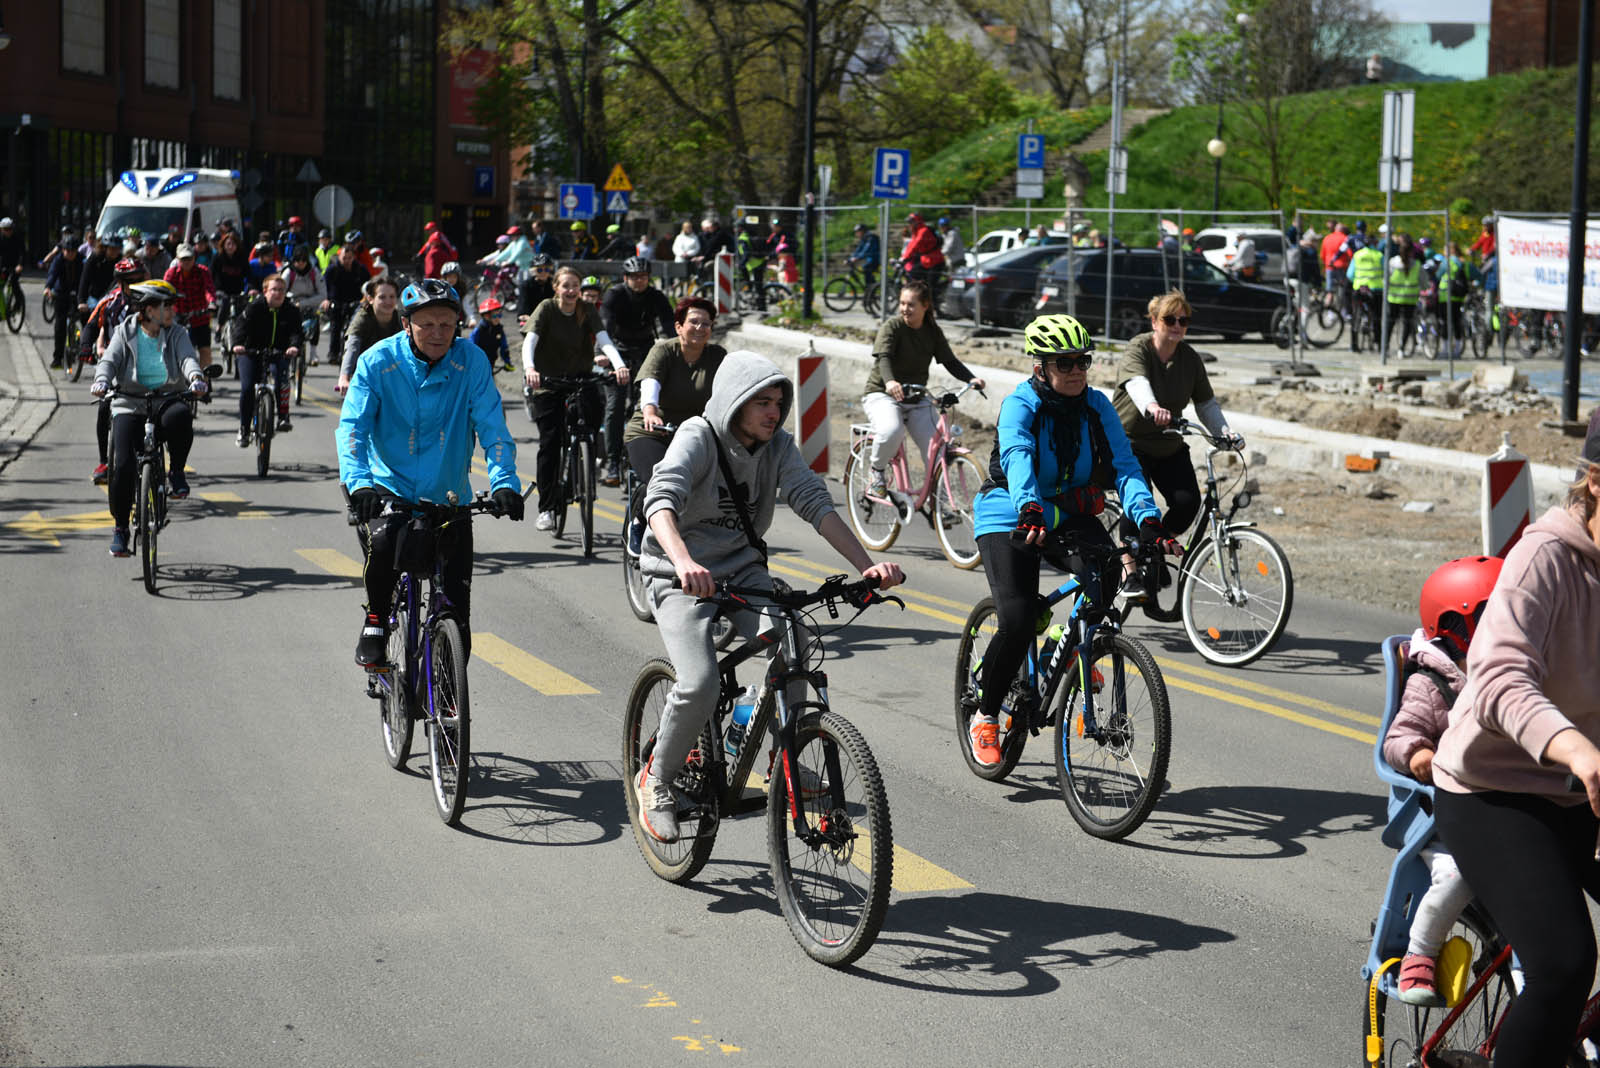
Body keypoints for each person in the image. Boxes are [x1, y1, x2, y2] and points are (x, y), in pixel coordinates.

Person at [631, 350, 905, 841]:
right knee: (699, 682)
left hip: (741, 571)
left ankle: (786, 755)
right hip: (676, 573)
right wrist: (683, 561)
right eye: (761, 401)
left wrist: (868, 569)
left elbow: (815, 504)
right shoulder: (700, 436)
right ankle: (656, 780)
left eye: (778, 402)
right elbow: (661, 499)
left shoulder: (778, 446)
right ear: (734, 402)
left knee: (795, 638)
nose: (773, 412)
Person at [1431, 416, 1600, 1068]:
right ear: (1596, 482)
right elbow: (1500, 678)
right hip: (1494, 789)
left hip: (1583, 789)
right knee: (1563, 963)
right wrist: (1576, 747)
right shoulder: (1545, 558)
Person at [965, 313, 1171, 767]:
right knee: (1017, 619)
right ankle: (984, 715)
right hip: (1010, 509)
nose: (1076, 371)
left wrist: (1149, 518)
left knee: (1110, 571)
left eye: (1082, 361)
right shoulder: (1021, 404)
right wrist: (1029, 505)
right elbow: (1017, 454)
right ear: (1041, 367)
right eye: (1065, 363)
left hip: (1064, 509)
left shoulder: (1097, 406)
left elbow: (1126, 467)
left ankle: (1074, 643)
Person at [338, 278, 524, 666]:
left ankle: (446, 703)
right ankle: (375, 619)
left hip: (448, 496)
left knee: (458, 618)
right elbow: (353, 428)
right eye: (427, 325)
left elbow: (493, 427)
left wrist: (504, 481)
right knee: (386, 544)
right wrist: (359, 484)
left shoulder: (470, 360)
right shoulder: (377, 361)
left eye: (447, 324)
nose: (438, 333)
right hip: (389, 488)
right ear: (406, 324)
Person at [1380, 555, 1504, 1007]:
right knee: (1459, 874)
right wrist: (1421, 755)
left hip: (1503, 805)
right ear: (1455, 627)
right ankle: (1421, 950)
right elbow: (1400, 737)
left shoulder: (1510, 670)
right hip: (1441, 816)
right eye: (1497, 616)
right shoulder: (1433, 682)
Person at [1110, 290, 1242, 597]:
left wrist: (1226, 432)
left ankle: (1153, 550)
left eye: (1184, 320)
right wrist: (1152, 407)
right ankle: (1130, 570)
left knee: (1187, 502)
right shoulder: (1138, 348)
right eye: (1170, 319)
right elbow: (1137, 384)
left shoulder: (1189, 359)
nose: (1178, 325)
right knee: (1137, 504)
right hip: (1129, 443)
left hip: (1168, 443)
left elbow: (1206, 403)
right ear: (1154, 321)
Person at [90, 280, 209, 556]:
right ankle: (120, 528)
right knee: (122, 465)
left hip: (166, 398)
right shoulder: (125, 331)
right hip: (129, 402)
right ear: (148, 310)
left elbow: (187, 358)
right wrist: (101, 380)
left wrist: (195, 378)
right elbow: (109, 360)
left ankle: (176, 472)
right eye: (167, 306)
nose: (172, 311)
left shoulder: (177, 332)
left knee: (181, 417)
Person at [521, 265, 629, 530]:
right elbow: (530, 341)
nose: (571, 291)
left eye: (575, 286)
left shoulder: (586, 309)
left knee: (590, 426)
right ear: (557, 287)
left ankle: (579, 474)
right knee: (550, 443)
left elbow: (604, 340)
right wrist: (530, 369)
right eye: (566, 285)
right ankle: (546, 507)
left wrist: (619, 364)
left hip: (580, 378)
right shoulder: (547, 308)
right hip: (548, 382)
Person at [861, 280, 984, 496]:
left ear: (925, 305)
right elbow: (884, 359)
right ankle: (876, 471)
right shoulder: (892, 327)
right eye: (902, 303)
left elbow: (950, 361)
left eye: (910, 304)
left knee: (937, 448)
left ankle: (938, 499)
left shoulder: (932, 331)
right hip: (882, 394)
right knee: (891, 431)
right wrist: (890, 382)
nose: (904, 309)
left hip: (916, 398)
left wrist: (971, 379)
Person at [623, 296, 726, 547]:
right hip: (653, 431)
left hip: (693, 434)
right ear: (679, 326)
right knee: (661, 480)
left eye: (706, 323)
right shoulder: (664, 350)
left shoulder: (717, 356)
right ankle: (637, 521)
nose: (700, 328)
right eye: (693, 322)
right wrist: (650, 410)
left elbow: (731, 391)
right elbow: (651, 382)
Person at [599, 256, 675, 485]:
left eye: (643, 277)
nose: (639, 281)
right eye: (634, 277)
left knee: (647, 405)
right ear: (625, 278)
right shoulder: (615, 295)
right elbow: (605, 327)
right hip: (616, 351)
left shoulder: (656, 296)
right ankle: (612, 462)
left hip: (645, 352)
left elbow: (669, 326)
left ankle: (642, 454)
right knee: (615, 406)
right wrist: (603, 354)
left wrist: (675, 350)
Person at [84, 257, 148, 484]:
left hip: (146, 364)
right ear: (120, 282)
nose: (135, 284)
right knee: (104, 409)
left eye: (139, 279)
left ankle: (156, 459)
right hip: (115, 364)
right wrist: (85, 347)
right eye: (130, 281)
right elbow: (91, 325)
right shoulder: (110, 302)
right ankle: (104, 461)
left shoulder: (153, 300)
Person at [231, 273, 302, 440]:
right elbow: (240, 326)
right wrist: (238, 344)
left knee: (282, 380)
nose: (278, 293)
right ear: (265, 291)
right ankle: (244, 428)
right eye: (274, 290)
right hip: (250, 352)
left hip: (279, 352)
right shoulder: (254, 307)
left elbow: (296, 332)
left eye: (281, 290)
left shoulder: (291, 310)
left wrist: (293, 346)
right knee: (248, 387)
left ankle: (283, 417)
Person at [336, 276, 402, 394]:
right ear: (370, 299)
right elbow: (352, 346)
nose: (388, 301)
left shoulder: (401, 320)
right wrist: (344, 378)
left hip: (390, 371)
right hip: (363, 371)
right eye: (382, 297)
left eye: (392, 297)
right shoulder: (362, 318)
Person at [162, 244, 217, 368]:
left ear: (194, 258)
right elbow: (165, 292)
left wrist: (212, 303)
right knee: (177, 351)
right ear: (177, 259)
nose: (186, 262)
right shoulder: (172, 274)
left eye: (189, 258)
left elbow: (209, 290)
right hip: (178, 318)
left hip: (200, 317)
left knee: (205, 351)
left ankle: (205, 381)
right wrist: (166, 309)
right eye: (183, 259)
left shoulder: (203, 271)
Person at [323, 244, 372, 373]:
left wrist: (366, 299)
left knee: (357, 326)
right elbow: (324, 286)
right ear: (339, 256)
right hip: (337, 301)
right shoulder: (332, 270)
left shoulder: (360, 269)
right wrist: (327, 300)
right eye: (344, 257)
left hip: (355, 302)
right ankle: (333, 353)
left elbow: (369, 285)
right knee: (335, 325)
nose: (347, 260)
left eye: (350, 258)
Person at [43, 239, 85, 368]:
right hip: (62, 293)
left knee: (85, 318)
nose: (70, 254)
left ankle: (84, 349)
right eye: (67, 251)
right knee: (60, 326)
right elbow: (52, 274)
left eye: (73, 251)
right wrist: (48, 287)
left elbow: (87, 276)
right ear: (63, 250)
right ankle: (58, 358)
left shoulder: (81, 260)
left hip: (78, 292)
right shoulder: (58, 260)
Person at [281, 246, 326, 363]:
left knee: (315, 320)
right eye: (297, 261)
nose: (300, 264)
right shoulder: (288, 272)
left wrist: (303, 303)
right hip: (291, 302)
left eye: (303, 261)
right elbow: (281, 291)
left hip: (310, 302)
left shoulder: (314, 272)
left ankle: (313, 352)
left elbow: (322, 294)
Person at [1385, 232, 1421, 357]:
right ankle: (1401, 349)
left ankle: (1386, 347)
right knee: (1407, 323)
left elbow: (1386, 279)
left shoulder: (1392, 262)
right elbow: (1424, 282)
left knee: (1390, 322)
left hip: (1394, 297)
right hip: (1410, 299)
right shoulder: (1416, 265)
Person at [1347, 237, 1385, 352]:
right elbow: (1385, 271)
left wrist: (1358, 280)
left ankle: (1353, 345)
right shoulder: (1379, 255)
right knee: (1377, 317)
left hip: (1359, 288)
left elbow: (1349, 274)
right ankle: (1378, 343)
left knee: (1355, 316)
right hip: (1375, 289)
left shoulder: (1357, 255)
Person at [900, 212, 943, 295]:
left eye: (911, 222)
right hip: (926, 260)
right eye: (909, 222)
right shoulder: (916, 232)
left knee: (930, 286)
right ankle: (920, 293)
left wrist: (905, 258)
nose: (909, 224)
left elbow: (916, 244)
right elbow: (911, 245)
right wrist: (904, 256)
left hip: (935, 261)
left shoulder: (923, 231)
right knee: (913, 273)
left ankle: (932, 303)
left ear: (917, 222)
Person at [469, 297, 511, 373]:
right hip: (478, 363)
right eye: (495, 316)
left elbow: (504, 347)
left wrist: (507, 362)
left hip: (491, 361)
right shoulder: (479, 330)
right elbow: (471, 346)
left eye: (499, 315)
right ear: (486, 317)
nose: (498, 319)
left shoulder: (499, 329)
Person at [846, 223, 880, 287]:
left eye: (858, 231)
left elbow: (866, 250)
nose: (856, 234)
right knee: (866, 272)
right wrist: (850, 259)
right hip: (868, 259)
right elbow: (858, 250)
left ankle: (871, 289)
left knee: (867, 269)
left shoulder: (870, 238)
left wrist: (857, 258)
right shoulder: (864, 238)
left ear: (863, 231)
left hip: (874, 259)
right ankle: (870, 289)